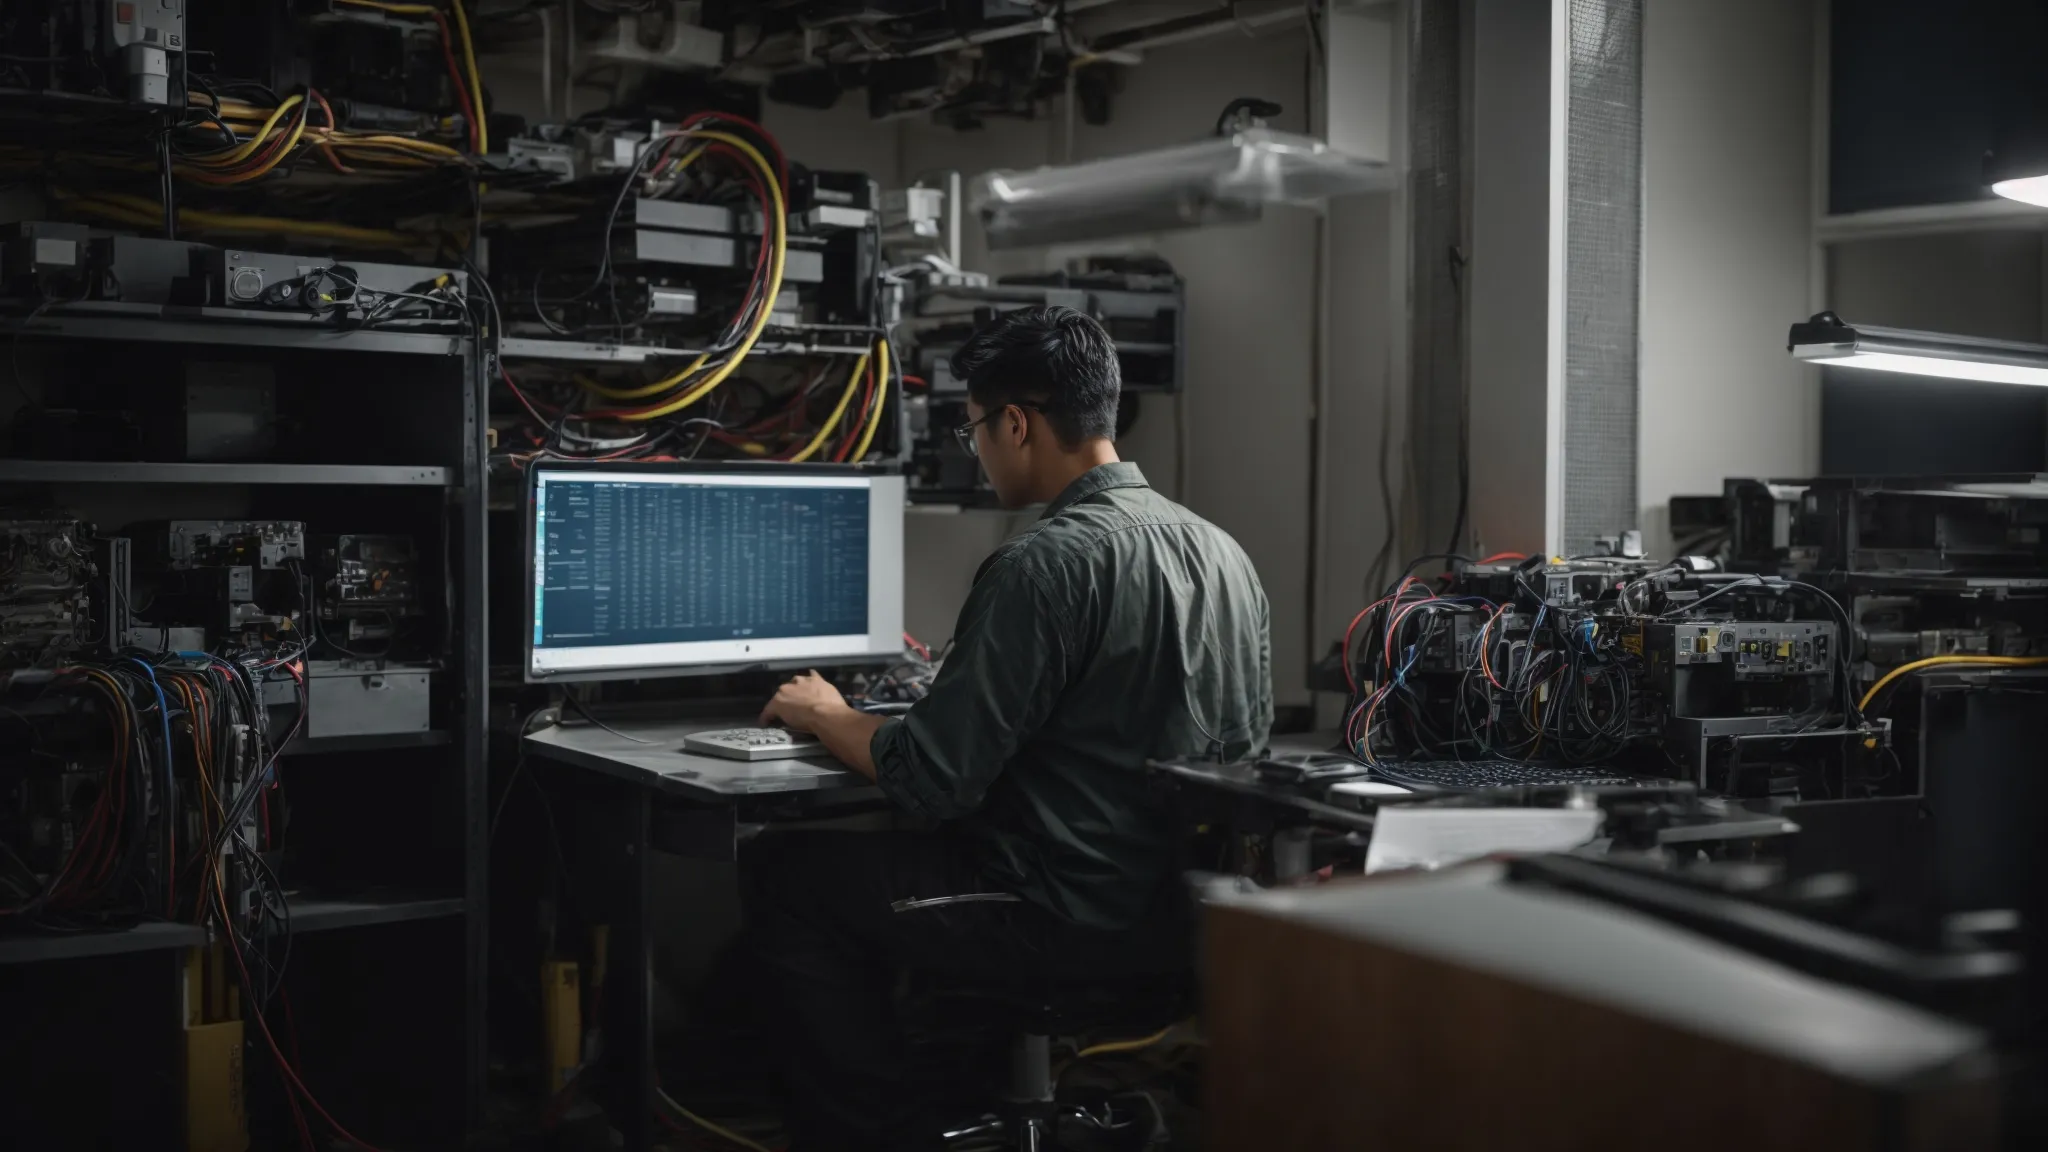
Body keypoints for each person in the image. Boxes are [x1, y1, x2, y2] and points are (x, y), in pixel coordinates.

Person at [745, 305, 1273, 1151]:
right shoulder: (1223, 553)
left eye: (974, 427)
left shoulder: (1042, 564)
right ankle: (970, 1092)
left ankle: (873, 1136)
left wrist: (828, 713)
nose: (977, 446)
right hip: (1180, 911)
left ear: (1016, 423)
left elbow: (931, 776)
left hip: (1056, 910)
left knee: (788, 876)